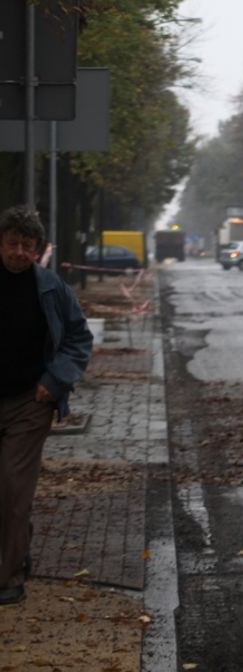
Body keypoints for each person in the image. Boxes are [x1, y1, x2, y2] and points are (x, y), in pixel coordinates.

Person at [0, 206, 92, 605]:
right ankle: (18, 546)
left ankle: (8, 578)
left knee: (13, 488)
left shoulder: (51, 288)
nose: (19, 252)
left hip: (28, 403)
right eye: (12, 244)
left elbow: (78, 338)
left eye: (28, 246)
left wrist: (53, 383)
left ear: (38, 249)